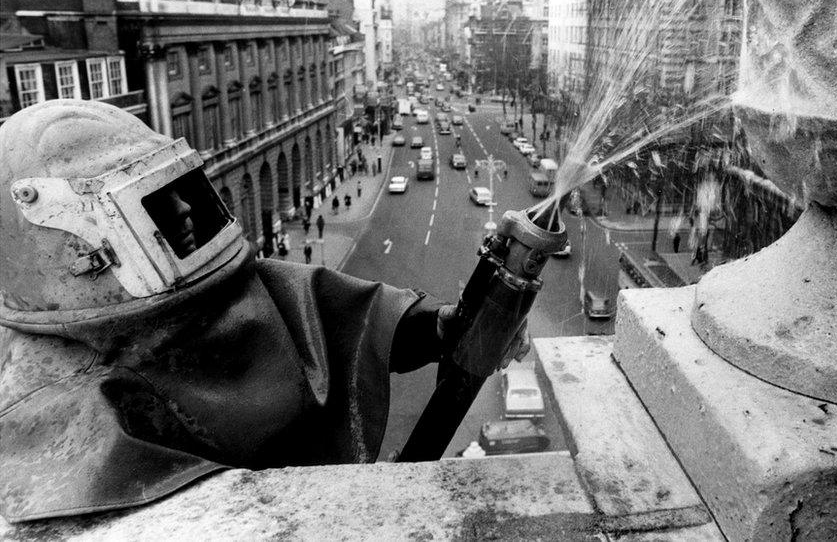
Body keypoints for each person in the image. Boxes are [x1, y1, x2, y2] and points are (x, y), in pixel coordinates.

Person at [0, 100, 516, 523]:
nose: (183, 208)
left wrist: (436, 328)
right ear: (72, 247)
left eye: (177, 188)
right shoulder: (46, 399)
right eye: (152, 202)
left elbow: (328, 312)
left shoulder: (219, 286)